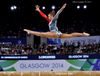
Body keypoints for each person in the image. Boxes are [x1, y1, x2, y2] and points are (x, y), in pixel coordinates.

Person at [24, 3, 90, 39]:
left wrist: (62, 8)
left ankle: (30, 31)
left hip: (54, 33)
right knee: (71, 35)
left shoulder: (54, 19)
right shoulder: (50, 21)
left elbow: (58, 13)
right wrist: (39, 10)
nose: (48, 17)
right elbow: (44, 16)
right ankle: (82, 34)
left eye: (49, 16)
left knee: (41, 34)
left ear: (52, 16)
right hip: (59, 34)